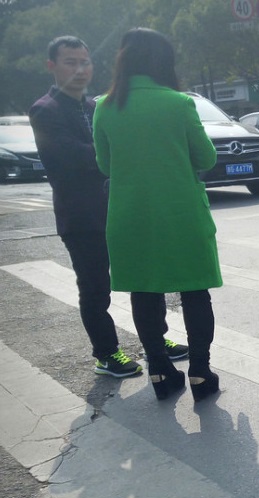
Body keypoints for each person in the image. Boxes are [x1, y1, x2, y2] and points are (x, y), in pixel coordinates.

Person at [29, 36, 187, 379]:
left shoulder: (96, 107)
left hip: (122, 209)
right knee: (95, 286)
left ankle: (155, 340)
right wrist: (120, 153)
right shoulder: (45, 110)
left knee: (147, 276)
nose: (80, 69)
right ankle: (106, 353)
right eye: (70, 62)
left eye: (85, 61)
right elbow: (70, 157)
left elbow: (107, 151)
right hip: (83, 217)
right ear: (52, 66)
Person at [93, 28, 220, 401]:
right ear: (164, 62)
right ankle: (199, 370)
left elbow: (105, 165)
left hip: (130, 215)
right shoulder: (179, 103)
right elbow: (207, 158)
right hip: (181, 213)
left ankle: (160, 372)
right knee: (195, 290)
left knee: (144, 292)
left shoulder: (104, 106)